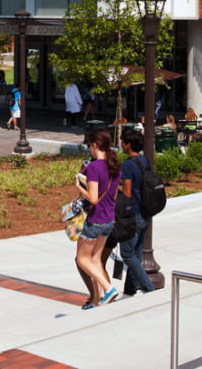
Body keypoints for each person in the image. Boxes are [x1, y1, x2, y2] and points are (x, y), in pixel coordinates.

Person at [75, 129, 122, 307]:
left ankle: (109, 289)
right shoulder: (115, 167)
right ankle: (96, 301)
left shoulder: (94, 167)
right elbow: (113, 196)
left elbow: (93, 198)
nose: (89, 149)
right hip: (110, 219)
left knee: (82, 259)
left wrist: (80, 187)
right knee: (95, 261)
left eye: (89, 145)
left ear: (95, 145)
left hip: (96, 219)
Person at [118, 130, 155, 297]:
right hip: (146, 214)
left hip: (134, 214)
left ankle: (149, 288)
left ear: (128, 144)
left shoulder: (127, 164)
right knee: (136, 255)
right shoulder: (144, 161)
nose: (122, 145)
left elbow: (127, 193)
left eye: (123, 142)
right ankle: (130, 289)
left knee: (127, 253)